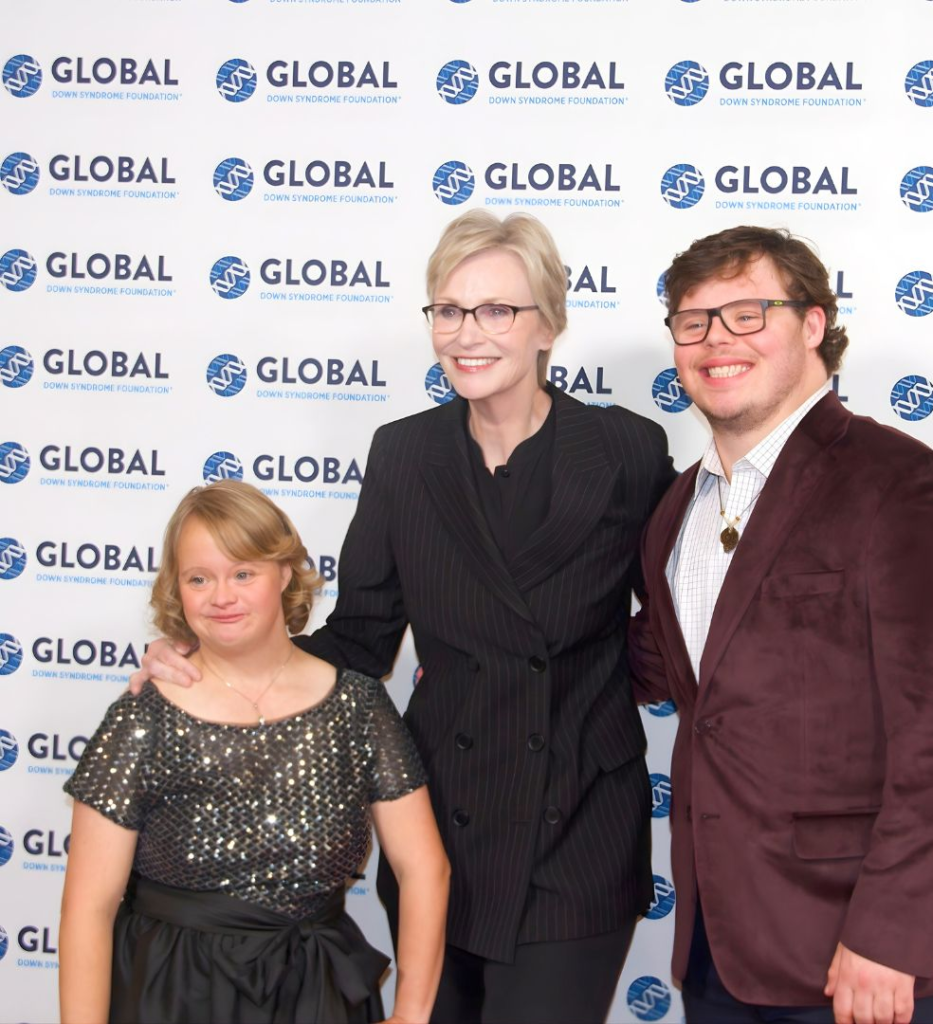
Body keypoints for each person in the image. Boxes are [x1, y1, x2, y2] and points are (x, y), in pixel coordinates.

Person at [130, 210, 676, 1024]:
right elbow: (361, 638)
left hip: (581, 827)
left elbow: (671, 614)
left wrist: (604, 695)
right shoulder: (404, 455)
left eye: (497, 310)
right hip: (440, 826)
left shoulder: (627, 449)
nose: (467, 333)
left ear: (548, 326)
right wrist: (208, 666)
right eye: (448, 310)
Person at [629, 225, 933, 1024]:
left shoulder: (904, 484)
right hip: (715, 950)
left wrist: (891, 936)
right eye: (692, 321)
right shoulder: (675, 509)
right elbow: (660, 671)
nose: (715, 340)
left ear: (812, 325)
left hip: (855, 956)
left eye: (747, 313)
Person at [61, 481, 448, 1024]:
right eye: (199, 578)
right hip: (170, 992)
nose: (222, 596)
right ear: (178, 588)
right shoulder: (141, 716)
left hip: (316, 991)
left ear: (285, 573)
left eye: (243, 573)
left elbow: (424, 868)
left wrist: (410, 1015)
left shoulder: (358, 705)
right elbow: (88, 908)